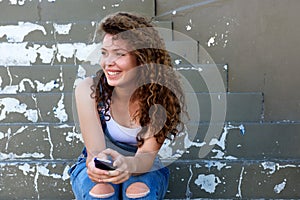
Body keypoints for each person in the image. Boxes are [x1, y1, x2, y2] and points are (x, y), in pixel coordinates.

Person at [68, 11, 187, 199]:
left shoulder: (161, 97)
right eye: (104, 53)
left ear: (142, 58)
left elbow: (146, 155)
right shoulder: (88, 89)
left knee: (138, 192)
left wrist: (128, 166)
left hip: (143, 164)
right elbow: (96, 152)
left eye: (119, 54)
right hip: (99, 163)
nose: (108, 63)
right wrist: (97, 165)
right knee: (101, 191)